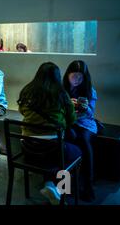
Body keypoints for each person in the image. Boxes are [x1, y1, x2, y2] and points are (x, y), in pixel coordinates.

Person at [18, 62, 81, 205]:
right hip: (52, 148)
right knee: (75, 152)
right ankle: (61, 192)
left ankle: (50, 185)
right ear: (57, 77)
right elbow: (71, 120)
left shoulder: (27, 91)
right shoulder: (61, 94)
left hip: (28, 147)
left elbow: (22, 111)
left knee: (53, 155)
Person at [63, 60, 97, 202]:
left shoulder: (90, 90)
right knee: (63, 141)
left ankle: (88, 186)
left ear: (85, 77)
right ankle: (64, 187)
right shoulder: (62, 89)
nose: (76, 80)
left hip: (84, 123)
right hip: (67, 122)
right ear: (68, 75)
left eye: (80, 77)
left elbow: (91, 114)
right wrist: (68, 105)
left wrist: (85, 106)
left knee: (83, 140)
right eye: (74, 76)